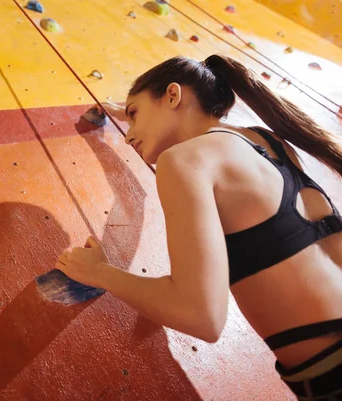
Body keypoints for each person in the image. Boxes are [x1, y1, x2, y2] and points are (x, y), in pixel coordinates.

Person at [55, 54, 342, 400]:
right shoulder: (266, 141)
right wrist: (128, 109)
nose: (129, 137)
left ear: (173, 96)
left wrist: (100, 272)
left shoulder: (186, 160)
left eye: (134, 116)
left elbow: (200, 316)